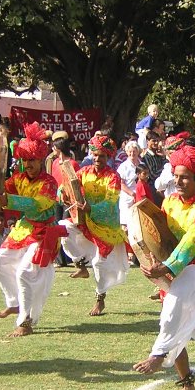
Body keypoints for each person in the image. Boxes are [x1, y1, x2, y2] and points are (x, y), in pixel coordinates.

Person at [132, 145, 195, 390]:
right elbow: (160, 236)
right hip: (178, 270)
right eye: (176, 175)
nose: (178, 181)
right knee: (172, 319)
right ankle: (188, 385)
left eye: (185, 176)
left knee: (173, 306)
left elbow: (192, 243)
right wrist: (149, 259)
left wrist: (165, 267)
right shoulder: (170, 201)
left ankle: (158, 354)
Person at [0, 122, 65, 337]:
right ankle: (14, 302)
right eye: (24, 160)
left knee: (25, 273)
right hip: (24, 229)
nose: (28, 164)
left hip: (44, 231)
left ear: (41, 159)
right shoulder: (18, 178)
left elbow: (37, 205)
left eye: (31, 160)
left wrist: (9, 199)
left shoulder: (49, 182)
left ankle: (25, 321)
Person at [59, 134, 128, 316]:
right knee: (62, 227)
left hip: (106, 228)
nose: (98, 159)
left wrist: (90, 207)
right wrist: (63, 194)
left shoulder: (114, 177)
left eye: (102, 156)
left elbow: (111, 203)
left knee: (99, 263)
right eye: (95, 155)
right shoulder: (85, 171)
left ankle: (100, 299)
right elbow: (66, 185)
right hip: (87, 222)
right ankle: (80, 265)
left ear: (108, 157)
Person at [155, 132, 189, 198]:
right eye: (170, 153)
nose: (173, 156)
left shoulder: (186, 167)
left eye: (175, 153)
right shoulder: (167, 167)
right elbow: (159, 186)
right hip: (171, 202)